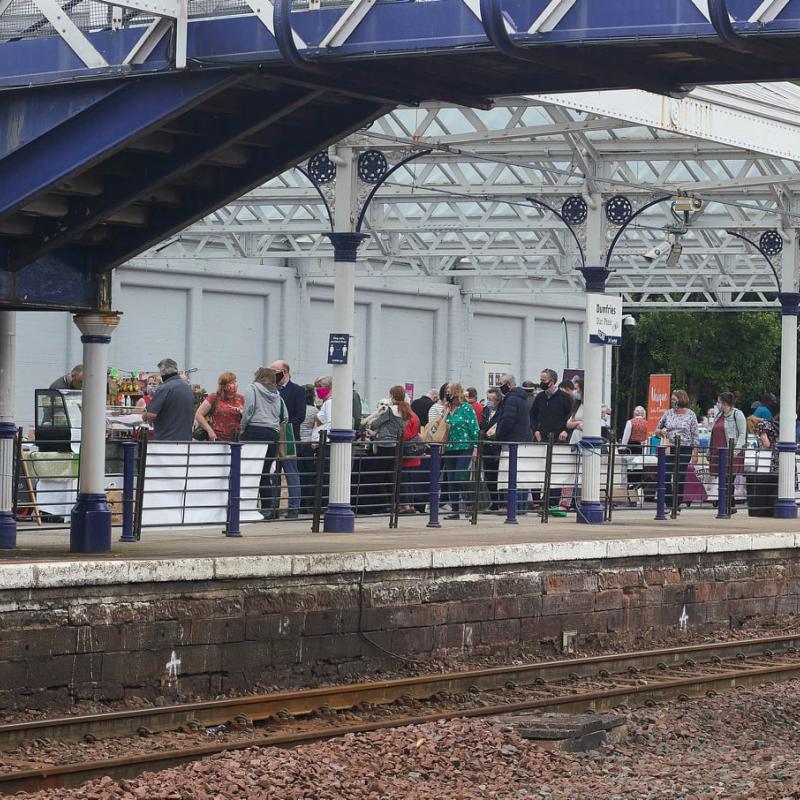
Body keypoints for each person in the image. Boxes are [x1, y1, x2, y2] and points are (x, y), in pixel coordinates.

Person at [240, 368, 289, 520]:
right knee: (265, 472)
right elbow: (285, 416)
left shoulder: (252, 389)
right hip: (272, 433)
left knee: (250, 470)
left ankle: (246, 507)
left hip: (254, 431)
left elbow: (249, 409)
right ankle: (268, 509)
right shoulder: (277, 394)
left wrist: (242, 427)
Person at [654, 388, 699, 511]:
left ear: (681, 399)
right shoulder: (668, 413)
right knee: (666, 475)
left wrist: (695, 453)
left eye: (674, 399)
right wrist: (661, 432)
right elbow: (656, 430)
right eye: (671, 400)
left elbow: (695, 435)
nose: (672, 402)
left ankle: (677, 503)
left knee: (680, 476)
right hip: (669, 446)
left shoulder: (690, 414)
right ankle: (669, 502)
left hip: (685, 448)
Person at [270, 360, 304, 519]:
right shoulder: (270, 390)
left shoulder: (297, 390)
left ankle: (294, 508)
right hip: (273, 435)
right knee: (274, 474)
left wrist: (286, 426)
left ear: (284, 372)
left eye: (274, 371)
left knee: (291, 473)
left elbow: (300, 415)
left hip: (289, 436)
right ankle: (273, 507)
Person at [442, 382, 479, 520]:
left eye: (449, 391)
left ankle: (469, 505)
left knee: (460, 476)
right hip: (449, 447)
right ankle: (455, 510)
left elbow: (474, 428)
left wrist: (476, 447)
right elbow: (441, 426)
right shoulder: (447, 408)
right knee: (451, 479)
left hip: (464, 446)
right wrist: (445, 411)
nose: (446, 393)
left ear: (455, 392)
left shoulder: (467, 408)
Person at [709, 392, 746, 513]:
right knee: (722, 478)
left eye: (719, 401)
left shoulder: (737, 414)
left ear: (725, 402)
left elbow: (742, 434)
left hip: (731, 450)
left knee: (728, 478)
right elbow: (713, 432)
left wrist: (737, 449)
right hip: (717, 450)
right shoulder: (719, 415)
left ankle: (727, 504)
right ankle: (729, 504)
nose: (718, 404)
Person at [141, 358, 195, 441]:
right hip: (186, 440)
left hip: (166, 440)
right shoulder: (188, 388)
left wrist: (144, 416)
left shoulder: (164, 388)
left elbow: (151, 415)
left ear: (163, 371)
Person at [194, 372, 244, 442]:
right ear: (224, 385)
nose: (235, 384)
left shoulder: (241, 398)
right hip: (216, 438)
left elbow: (247, 417)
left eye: (235, 382)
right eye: (232, 382)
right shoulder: (214, 397)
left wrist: (242, 412)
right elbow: (199, 415)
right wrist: (209, 430)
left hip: (236, 440)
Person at [530, 368, 572, 443]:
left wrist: (566, 431)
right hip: (541, 438)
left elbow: (571, 415)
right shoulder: (540, 397)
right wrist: (535, 430)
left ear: (552, 382)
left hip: (559, 439)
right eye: (541, 380)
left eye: (544, 380)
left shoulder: (564, 397)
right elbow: (532, 415)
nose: (541, 383)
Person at [480, 387, 504, 511]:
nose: (489, 402)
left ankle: (499, 502)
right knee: (489, 476)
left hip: (496, 446)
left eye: (491, 399)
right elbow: (482, 425)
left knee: (497, 476)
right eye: (488, 398)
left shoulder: (501, 412)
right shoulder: (485, 410)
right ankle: (493, 502)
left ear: (497, 400)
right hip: (486, 447)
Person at [297, 384, 319, 513]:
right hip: (309, 444)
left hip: (298, 442)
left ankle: (299, 503)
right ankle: (308, 503)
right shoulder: (314, 411)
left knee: (298, 474)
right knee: (310, 475)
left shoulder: (298, 408)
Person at [495, 374, 534, 443]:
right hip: (522, 437)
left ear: (509, 384)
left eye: (501, 384)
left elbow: (507, 420)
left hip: (512, 439)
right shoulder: (522, 398)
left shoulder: (511, 399)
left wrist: (499, 435)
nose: (499, 387)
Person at [755, 404, 779, 471]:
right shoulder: (770, 423)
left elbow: (766, 444)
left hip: (770, 455)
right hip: (778, 451)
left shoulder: (761, 425)